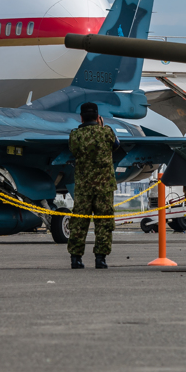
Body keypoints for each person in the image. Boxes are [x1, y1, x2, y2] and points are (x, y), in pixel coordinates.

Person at [67, 102, 120, 269]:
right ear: (98, 117)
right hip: (104, 188)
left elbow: (72, 150)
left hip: (83, 188)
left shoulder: (75, 135)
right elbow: (117, 145)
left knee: (79, 223)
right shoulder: (107, 133)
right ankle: (100, 259)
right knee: (104, 223)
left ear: (81, 117)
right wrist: (102, 127)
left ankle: (76, 259)